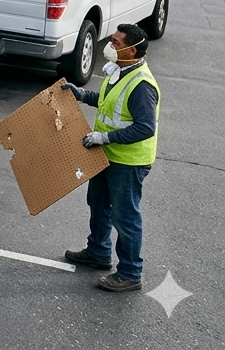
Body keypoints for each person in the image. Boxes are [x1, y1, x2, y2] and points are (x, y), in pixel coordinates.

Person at [60, 24, 159, 292]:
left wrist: (104, 138)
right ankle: (98, 252)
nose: (110, 46)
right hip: (106, 155)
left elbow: (145, 127)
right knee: (99, 202)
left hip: (128, 162)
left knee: (125, 217)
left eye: (116, 43)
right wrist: (81, 95)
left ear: (132, 50)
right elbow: (106, 102)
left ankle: (130, 272)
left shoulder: (141, 85)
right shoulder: (120, 71)